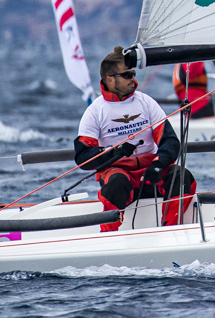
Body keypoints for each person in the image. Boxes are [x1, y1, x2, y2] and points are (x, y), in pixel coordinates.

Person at [74, 47, 196, 231]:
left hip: (150, 172)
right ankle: (108, 235)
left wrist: (159, 164)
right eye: (127, 75)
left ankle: (172, 230)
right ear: (109, 79)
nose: (133, 79)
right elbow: (83, 157)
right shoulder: (94, 112)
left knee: (181, 175)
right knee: (117, 182)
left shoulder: (146, 102)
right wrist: (112, 152)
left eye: (133, 73)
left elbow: (170, 141)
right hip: (120, 174)